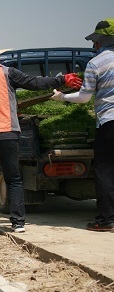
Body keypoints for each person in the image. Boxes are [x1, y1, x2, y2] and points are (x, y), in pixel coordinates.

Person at [0, 41, 83, 241]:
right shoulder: (7, 72)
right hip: (9, 133)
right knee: (13, 178)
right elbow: (35, 83)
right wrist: (62, 79)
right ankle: (18, 223)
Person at [50, 18, 114, 231]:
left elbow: (85, 98)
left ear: (100, 41)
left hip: (109, 122)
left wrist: (62, 98)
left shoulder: (96, 63)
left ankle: (106, 220)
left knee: (105, 170)